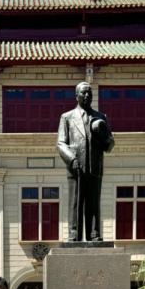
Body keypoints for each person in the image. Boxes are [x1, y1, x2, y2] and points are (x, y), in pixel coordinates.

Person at [56, 81, 115, 241]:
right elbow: (61, 143)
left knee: (93, 202)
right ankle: (74, 233)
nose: (87, 95)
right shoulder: (67, 117)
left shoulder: (101, 117)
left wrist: (104, 136)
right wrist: (71, 159)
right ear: (77, 96)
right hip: (76, 166)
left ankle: (94, 233)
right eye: (84, 92)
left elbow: (109, 145)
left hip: (94, 167)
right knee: (75, 202)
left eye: (90, 92)